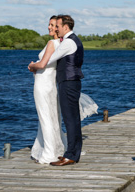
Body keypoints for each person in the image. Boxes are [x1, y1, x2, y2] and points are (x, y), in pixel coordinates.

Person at [29, 14, 92, 166]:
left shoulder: (68, 43)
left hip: (68, 83)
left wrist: (32, 65)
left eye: (57, 26)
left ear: (65, 27)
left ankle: (71, 155)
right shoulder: (71, 41)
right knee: (71, 119)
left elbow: (47, 61)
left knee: (71, 120)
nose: (55, 28)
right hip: (68, 82)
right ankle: (70, 153)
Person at [30, 15, 66, 164]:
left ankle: (49, 153)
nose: (49, 27)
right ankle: (51, 148)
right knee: (52, 117)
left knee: (45, 118)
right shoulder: (62, 44)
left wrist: (32, 65)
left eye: (52, 25)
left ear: (58, 27)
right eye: (49, 24)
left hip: (43, 85)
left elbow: (43, 64)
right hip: (50, 85)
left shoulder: (52, 43)